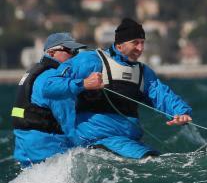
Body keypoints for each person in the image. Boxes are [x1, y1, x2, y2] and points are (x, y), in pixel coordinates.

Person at [42, 18, 192, 159]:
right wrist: (84, 84)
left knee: (161, 163)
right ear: (119, 45)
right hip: (97, 139)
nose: (140, 48)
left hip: (127, 141)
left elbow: (162, 95)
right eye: (135, 43)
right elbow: (49, 87)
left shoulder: (143, 73)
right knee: (152, 162)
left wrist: (180, 112)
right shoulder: (91, 61)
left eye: (142, 42)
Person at [12, 33, 90, 166]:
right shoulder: (55, 79)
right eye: (70, 51)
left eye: (76, 51)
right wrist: (89, 147)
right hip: (47, 150)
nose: (74, 55)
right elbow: (69, 124)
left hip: (24, 150)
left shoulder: (35, 72)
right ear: (52, 52)